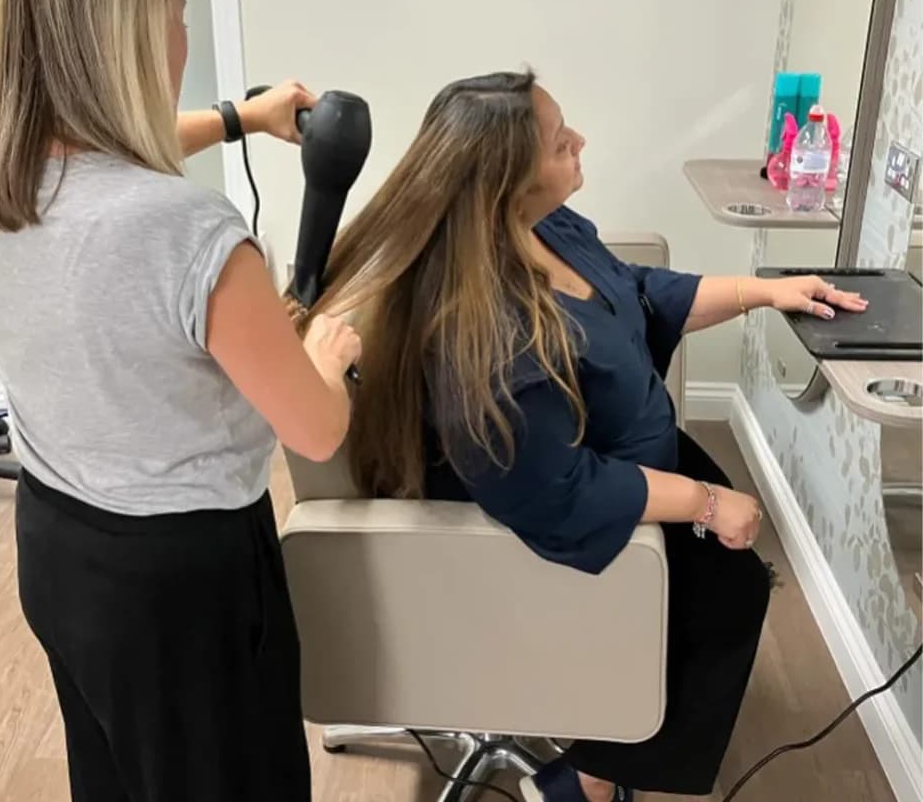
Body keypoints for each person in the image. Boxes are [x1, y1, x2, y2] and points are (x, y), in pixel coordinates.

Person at [304, 71, 868, 802]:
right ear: (506, 180)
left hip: (603, 452)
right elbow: (557, 494)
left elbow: (635, 289)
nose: (580, 143)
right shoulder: (487, 339)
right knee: (728, 599)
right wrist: (702, 502)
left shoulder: (545, 229)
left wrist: (764, 291)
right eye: (558, 140)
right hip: (551, 506)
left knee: (726, 585)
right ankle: (586, 782)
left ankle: (603, 750)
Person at [0, 0, 361, 802]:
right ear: (131, 33)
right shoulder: (188, 231)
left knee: (119, 773)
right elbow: (315, 431)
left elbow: (103, 156)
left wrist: (237, 118)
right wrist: (325, 356)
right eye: (177, 4)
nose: (185, 26)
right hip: (182, 586)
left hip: (57, 545)